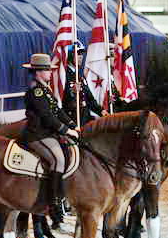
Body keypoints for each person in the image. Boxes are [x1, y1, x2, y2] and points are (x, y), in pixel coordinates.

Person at [20, 53, 80, 207]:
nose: (51, 72)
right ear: (38, 72)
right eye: (47, 70)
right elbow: (47, 117)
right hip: (37, 134)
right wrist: (66, 130)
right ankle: (53, 201)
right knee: (58, 159)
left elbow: (57, 111)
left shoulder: (45, 90)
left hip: (48, 133)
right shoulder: (36, 91)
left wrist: (73, 125)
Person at [63, 45, 108, 127]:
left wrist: (101, 111)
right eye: (78, 54)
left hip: (85, 118)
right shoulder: (63, 75)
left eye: (81, 54)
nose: (81, 57)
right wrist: (71, 92)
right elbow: (60, 98)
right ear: (69, 55)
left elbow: (89, 98)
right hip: (71, 119)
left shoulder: (80, 75)